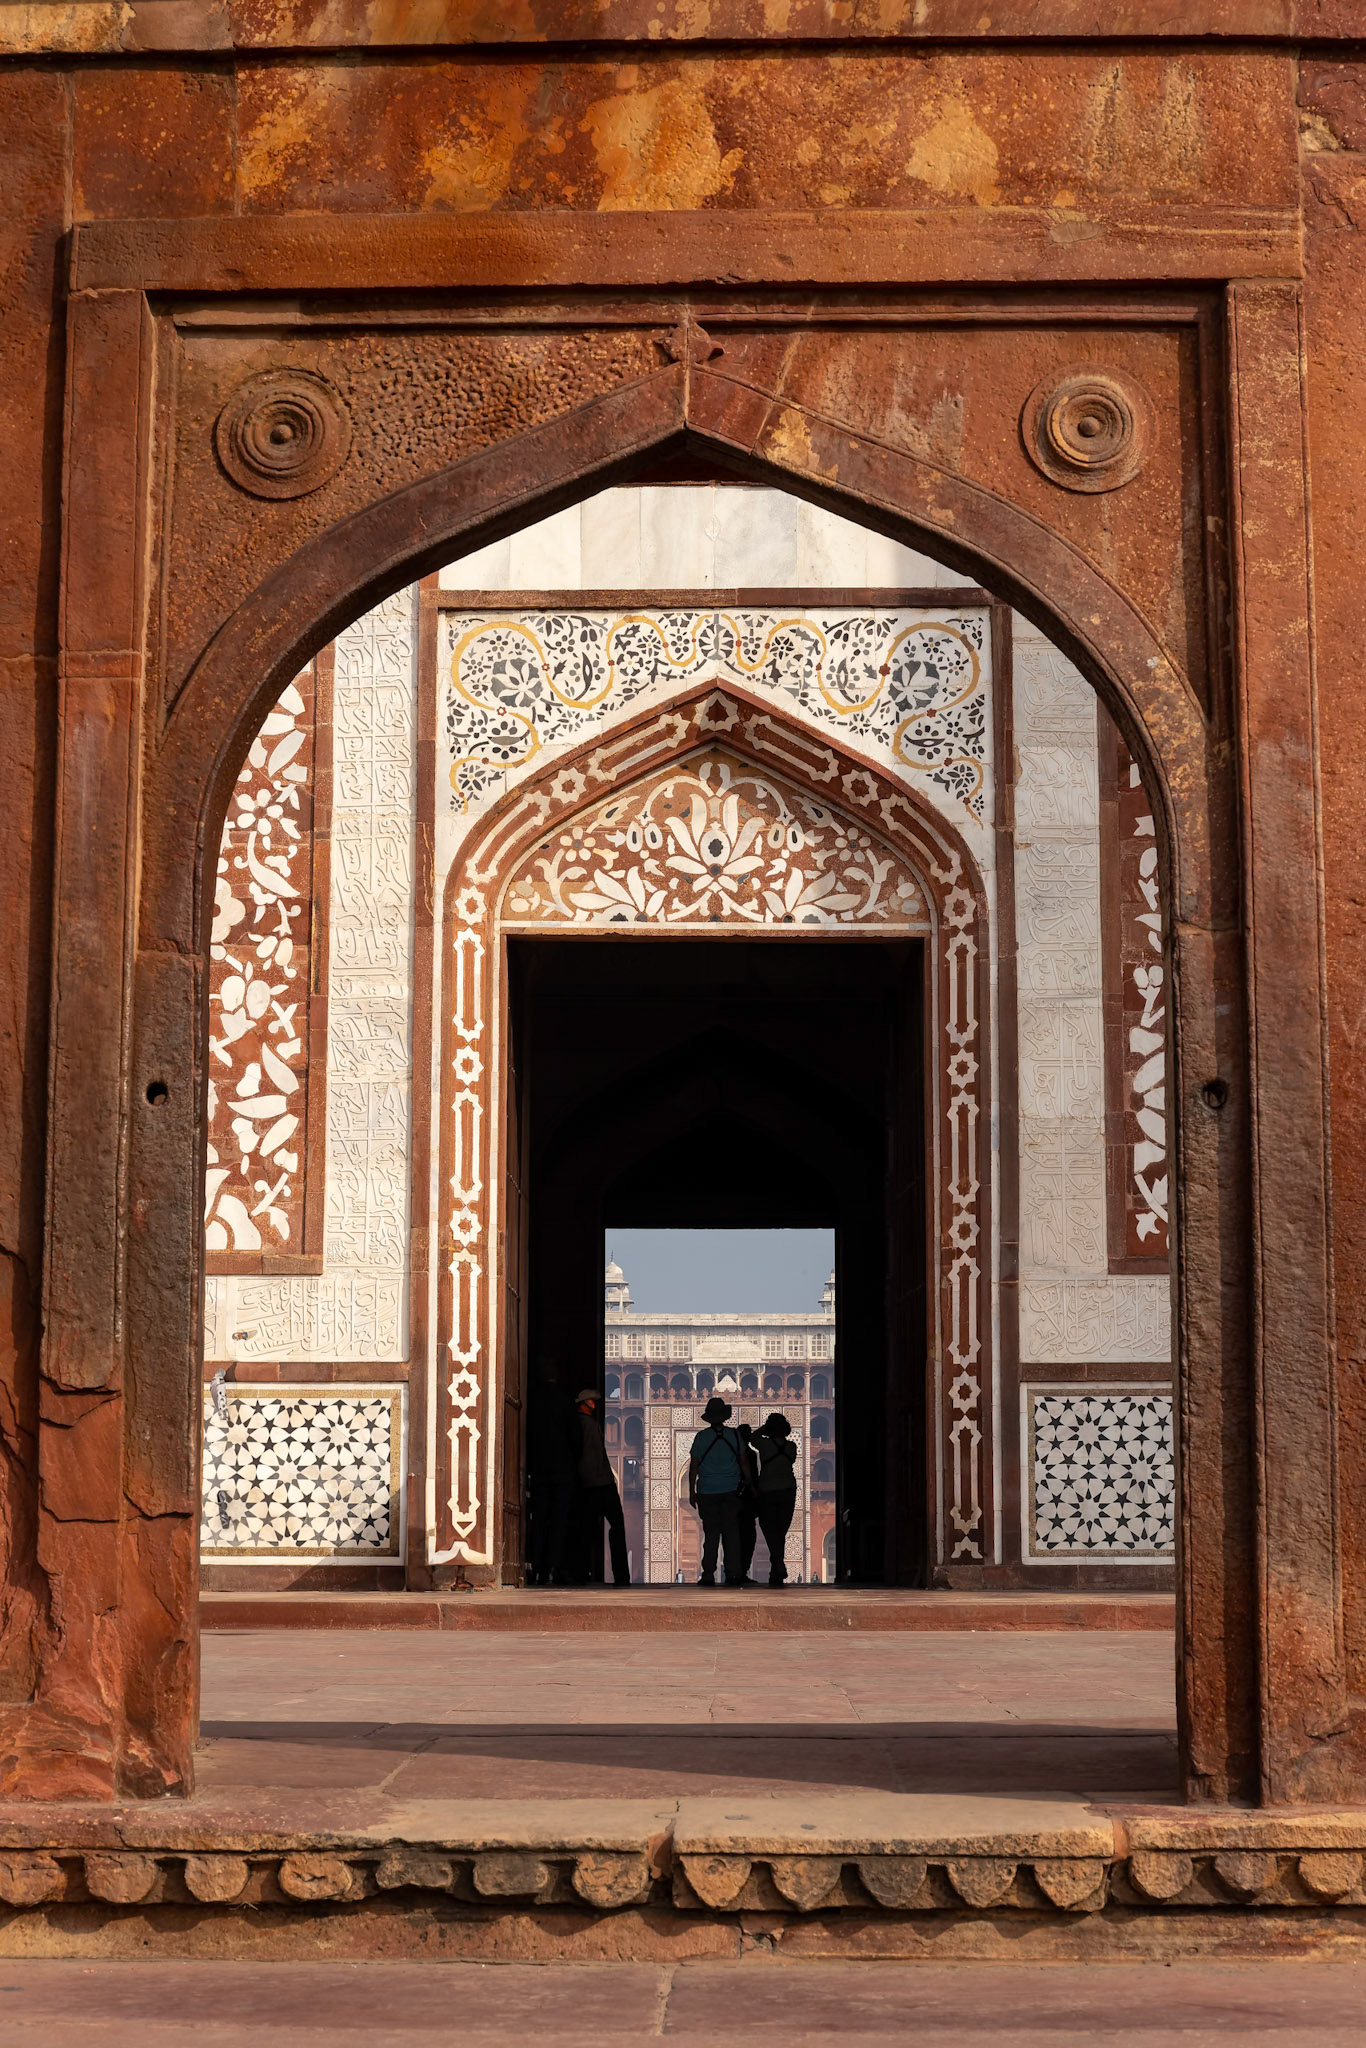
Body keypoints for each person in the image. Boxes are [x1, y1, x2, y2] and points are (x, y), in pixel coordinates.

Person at [688, 1395, 754, 1587]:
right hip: (731, 1492)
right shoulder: (734, 1435)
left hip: (707, 1492)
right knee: (731, 1534)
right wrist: (749, 1482)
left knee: (711, 1534)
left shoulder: (701, 1437)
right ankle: (733, 1573)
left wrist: (692, 1491)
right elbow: (744, 1462)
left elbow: (694, 1467)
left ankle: (708, 1573)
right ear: (724, 1417)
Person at [575, 1387, 630, 1586]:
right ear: (586, 1403)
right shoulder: (587, 1425)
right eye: (592, 1401)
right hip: (600, 1484)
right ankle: (621, 1576)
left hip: (591, 1484)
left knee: (586, 1530)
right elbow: (592, 1457)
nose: (595, 1404)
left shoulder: (582, 1424)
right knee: (616, 1526)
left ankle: (581, 1573)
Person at [750, 1413, 799, 1585]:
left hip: (768, 1490)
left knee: (770, 1530)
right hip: (788, 1490)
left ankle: (778, 1565)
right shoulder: (791, 1446)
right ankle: (776, 1568)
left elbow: (752, 1437)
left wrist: (766, 1428)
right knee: (781, 1530)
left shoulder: (764, 1444)